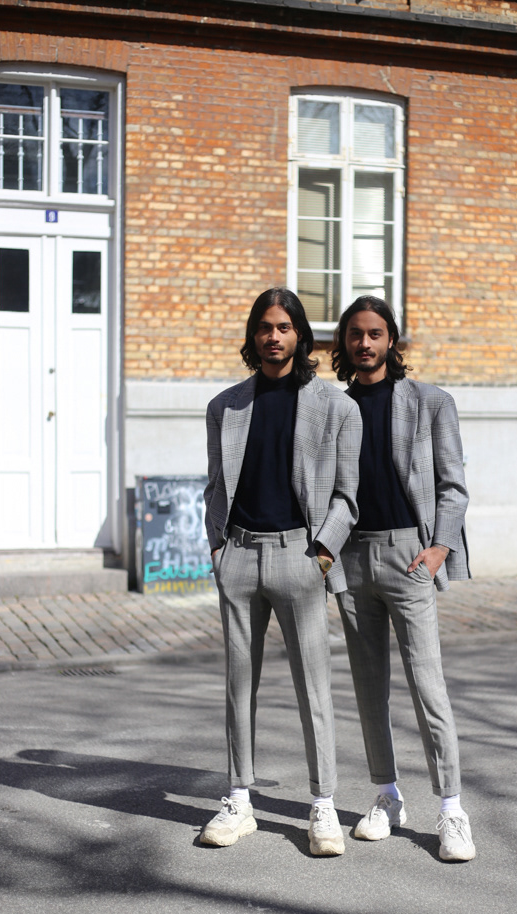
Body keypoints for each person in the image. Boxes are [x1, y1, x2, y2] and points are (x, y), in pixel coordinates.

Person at [200, 287, 362, 857]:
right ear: (254, 335)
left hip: (301, 556)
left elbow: (348, 497)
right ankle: (238, 799)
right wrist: (218, 550)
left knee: (313, 686)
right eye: (265, 327)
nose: (273, 336)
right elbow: (215, 486)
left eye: (284, 327)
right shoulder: (225, 407)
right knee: (237, 684)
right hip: (239, 556)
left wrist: (322, 554)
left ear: (300, 335)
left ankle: (323, 805)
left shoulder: (336, 407)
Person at [331, 295, 475, 861]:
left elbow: (453, 485)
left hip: (410, 556)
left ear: (391, 339)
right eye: (355, 334)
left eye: (374, 333)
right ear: (344, 342)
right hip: (351, 558)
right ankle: (387, 796)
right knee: (368, 689)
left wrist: (438, 549)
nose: (364, 343)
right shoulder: (335, 406)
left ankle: (452, 809)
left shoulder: (430, 402)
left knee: (427, 684)